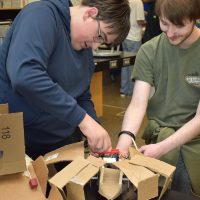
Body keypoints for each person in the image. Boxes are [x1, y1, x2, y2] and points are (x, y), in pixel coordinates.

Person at [0, 0, 130, 160]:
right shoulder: (41, 16)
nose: (96, 46)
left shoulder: (85, 50)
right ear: (90, 14)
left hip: (62, 144)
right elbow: (25, 75)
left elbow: (82, 95)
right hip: (21, 143)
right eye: (100, 36)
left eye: (103, 43)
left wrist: (94, 127)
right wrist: (83, 120)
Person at [117, 0, 200, 196]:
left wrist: (163, 147)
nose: (170, 33)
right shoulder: (149, 50)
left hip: (193, 144)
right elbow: (138, 104)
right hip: (157, 139)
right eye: (164, 23)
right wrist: (123, 142)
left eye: (179, 25)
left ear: (196, 18)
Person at [120, 0, 145, 97]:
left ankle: (123, 90)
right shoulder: (138, 2)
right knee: (133, 65)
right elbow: (140, 21)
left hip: (125, 35)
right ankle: (131, 91)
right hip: (134, 37)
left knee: (124, 63)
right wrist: (146, 22)